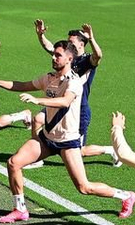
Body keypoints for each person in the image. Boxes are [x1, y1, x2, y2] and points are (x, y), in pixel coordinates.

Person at [0, 40, 135, 225]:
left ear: (70, 59)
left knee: (84, 187)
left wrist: (38, 100)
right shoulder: (48, 78)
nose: (54, 58)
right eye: (54, 54)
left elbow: (65, 102)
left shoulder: (74, 82)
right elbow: (21, 85)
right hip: (47, 138)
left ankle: (126, 196)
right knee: (14, 163)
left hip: (67, 142)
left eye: (58, 55)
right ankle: (20, 209)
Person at [36, 20, 117, 166]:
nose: (69, 44)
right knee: (38, 119)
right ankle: (36, 157)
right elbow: (50, 48)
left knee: (79, 151)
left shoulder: (87, 60)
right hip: (61, 103)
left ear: (81, 44)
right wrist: (41, 35)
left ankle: (110, 150)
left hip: (79, 110)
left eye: (72, 42)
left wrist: (91, 39)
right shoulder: (68, 57)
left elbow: (98, 56)